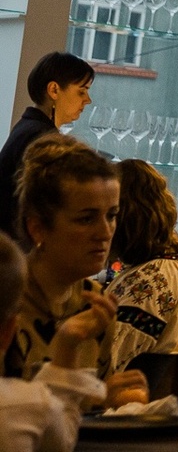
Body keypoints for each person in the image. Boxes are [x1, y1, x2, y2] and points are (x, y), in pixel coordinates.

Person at [4, 139, 146, 409]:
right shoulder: (7, 296)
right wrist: (92, 400)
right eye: (86, 219)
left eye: (112, 215)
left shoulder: (96, 302)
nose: (105, 232)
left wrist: (114, 400)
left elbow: (96, 400)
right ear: (37, 228)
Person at [0, 233, 110, 451]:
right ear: (9, 329)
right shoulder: (26, 406)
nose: (105, 233)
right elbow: (63, 438)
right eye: (85, 219)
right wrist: (67, 346)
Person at [103, 162, 178, 391]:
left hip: (112, 406)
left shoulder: (151, 279)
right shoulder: (159, 269)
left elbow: (104, 364)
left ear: (125, 216)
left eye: (109, 214)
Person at [0, 57, 94, 240]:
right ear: (54, 90)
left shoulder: (29, 126)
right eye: (82, 91)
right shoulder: (41, 136)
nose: (88, 100)